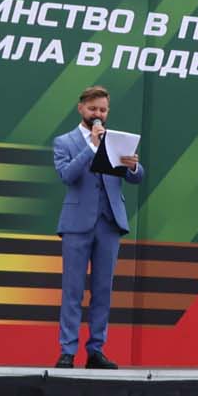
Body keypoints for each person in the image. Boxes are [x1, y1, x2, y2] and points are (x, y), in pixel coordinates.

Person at [49, 85, 146, 369]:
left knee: (103, 290)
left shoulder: (117, 140)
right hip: (77, 224)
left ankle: (96, 350)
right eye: (93, 109)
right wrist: (91, 146)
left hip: (109, 223)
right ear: (81, 108)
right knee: (73, 290)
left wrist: (133, 167)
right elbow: (67, 175)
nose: (98, 114)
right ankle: (67, 350)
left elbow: (136, 178)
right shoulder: (64, 142)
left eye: (102, 110)